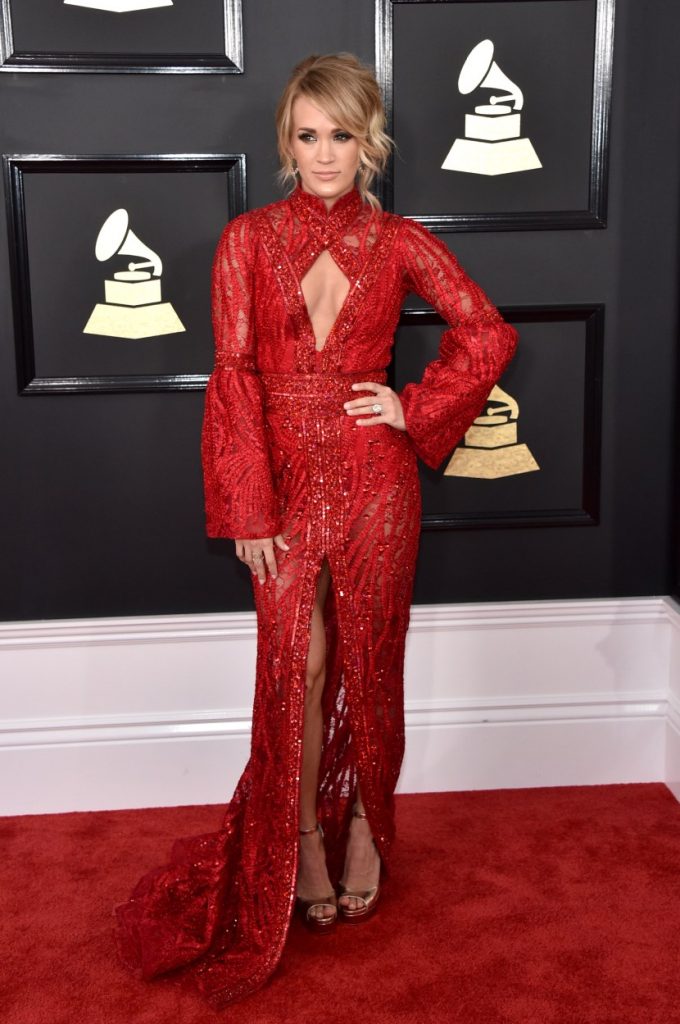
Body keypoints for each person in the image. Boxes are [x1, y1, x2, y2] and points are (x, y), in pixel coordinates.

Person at [113, 51, 518, 1009]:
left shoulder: (402, 239)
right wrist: (247, 506)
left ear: (367, 141)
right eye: (307, 135)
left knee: (373, 656)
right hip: (285, 481)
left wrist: (413, 410)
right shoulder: (246, 240)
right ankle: (297, 841)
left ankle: (368, 831)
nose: (324, 153)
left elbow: (486, 330)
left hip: (377, 476)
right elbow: (234, 377)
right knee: (295, 663)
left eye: (341, 135)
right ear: (286, 142)